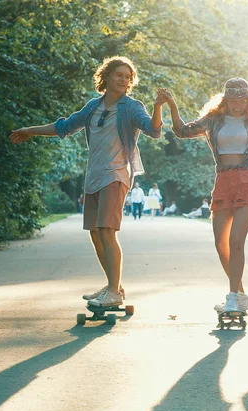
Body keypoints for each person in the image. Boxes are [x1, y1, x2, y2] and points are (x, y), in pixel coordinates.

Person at [10, 56, 164, 307]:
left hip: (115, 175)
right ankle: (114, 286)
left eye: (128, 77)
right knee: (95, 233)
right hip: (93, 175)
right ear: (106, 76)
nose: (124, 80)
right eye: (119, 75)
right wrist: (30, 130)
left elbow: (153, 130)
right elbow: (65, 126)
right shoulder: (93, 107)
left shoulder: (132, 106)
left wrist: (158, 107)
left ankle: (113, 291)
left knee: (106, 231)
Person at [159, 78, 248, 314]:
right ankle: (240, 294)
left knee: (236, 242)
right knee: (221, 244)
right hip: (223, 182)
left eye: (242, 100)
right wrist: (170, 104)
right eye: (233, 100)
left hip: (247, 181)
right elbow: (181, 131)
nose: (238, 105)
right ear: (226, 99)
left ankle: (231, 297)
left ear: (247, 100)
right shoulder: (214, 120)